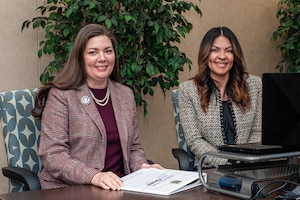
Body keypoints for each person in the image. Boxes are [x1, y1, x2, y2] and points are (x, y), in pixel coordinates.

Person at [32, 24, 162, 190]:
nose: (102, 58)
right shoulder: (62, 95)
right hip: (69, 189)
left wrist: (142, 168)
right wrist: (93, 176)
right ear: (80, 57)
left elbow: (134, 148)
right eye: (93, 52)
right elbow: (53, 155)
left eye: (108, 51)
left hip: (119, 187)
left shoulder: (125, 94)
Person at [178, 26, 262, 168]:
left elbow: (258, 131)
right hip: (210, 170)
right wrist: (226, 162)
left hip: (250, 167)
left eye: (228, 51)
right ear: (205, 54)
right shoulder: (188, 90)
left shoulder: (254, 85)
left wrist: (246, 160)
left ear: (235, 55)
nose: (222, 56)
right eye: (215, 50)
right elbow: (194, 140)